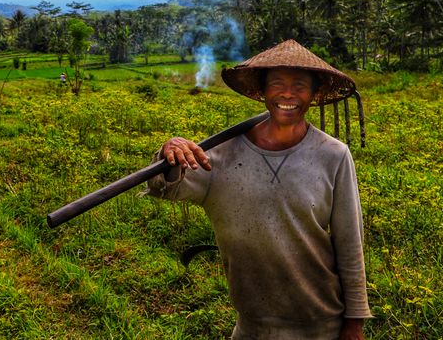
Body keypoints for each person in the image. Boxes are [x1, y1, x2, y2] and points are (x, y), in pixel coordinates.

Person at [146, 39, 371, 340]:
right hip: (251, 326)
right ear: (263, 91)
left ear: (314, 94)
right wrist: (170, 152)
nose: (288, 94)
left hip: (320, 324)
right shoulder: (221, 156)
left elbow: (349, 242)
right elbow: (166, 189)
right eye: (277, 83)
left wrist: (355, 321)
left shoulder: (333, 155)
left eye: (300, 85)